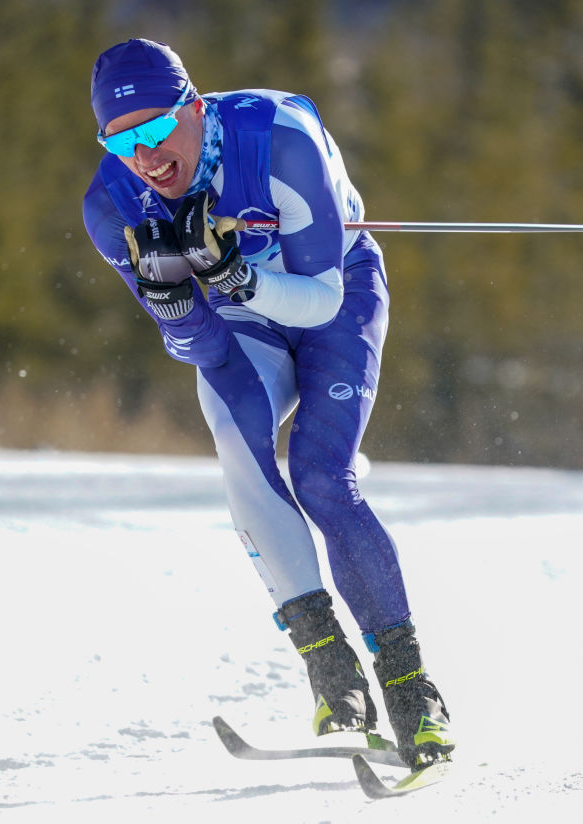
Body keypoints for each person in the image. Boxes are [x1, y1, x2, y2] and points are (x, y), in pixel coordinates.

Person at [82, 39, 453, 770]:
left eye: (156, 129)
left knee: (321, 476)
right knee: (237, 442)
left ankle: (414, 691)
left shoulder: (278, 139)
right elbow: (204, 352)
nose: (145, 156)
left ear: (194, 107)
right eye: (121, 140)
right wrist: (175, 310)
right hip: (240, 322)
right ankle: (331, 671)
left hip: (333, 296)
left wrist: (232, 278)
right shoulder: (111, 203)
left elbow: (319, 303)